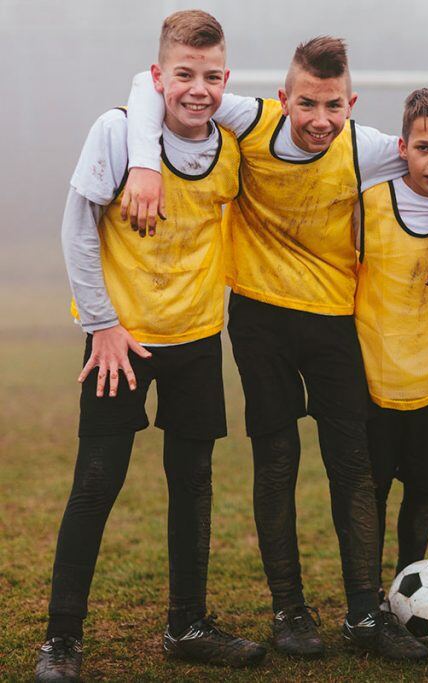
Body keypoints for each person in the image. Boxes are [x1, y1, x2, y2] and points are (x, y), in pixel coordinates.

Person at [121, 36, 428, 661]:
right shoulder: (251, 121)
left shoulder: (364, 147)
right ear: (284, 97)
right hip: (259, 320)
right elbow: (148, 88)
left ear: (350, 102)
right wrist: (146, 164)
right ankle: (290, 611)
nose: (319, 120)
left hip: (335, 325)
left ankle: (364, 616)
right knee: (277, 462)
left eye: (333, 106)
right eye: (306, 104)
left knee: (353, 468)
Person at [36, 11, 266, 681]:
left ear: (228, 78)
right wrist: (102, 324)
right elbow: (77, 230)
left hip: (196, 338)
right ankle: (61, 637)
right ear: (159, 76)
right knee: (97, 481)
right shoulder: (115, 131)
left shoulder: (230, 144)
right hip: (121, 342)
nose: (198, 89)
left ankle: (187, 624)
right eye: (184, 75)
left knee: (192, 482)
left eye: (212, 76)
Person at [355, 86, 428, 594]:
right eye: (424, 148)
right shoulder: (368, 201)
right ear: (402, 148)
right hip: (373, 378)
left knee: (423, 491)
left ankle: (409, 585)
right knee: (371, 493)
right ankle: (368, 596)